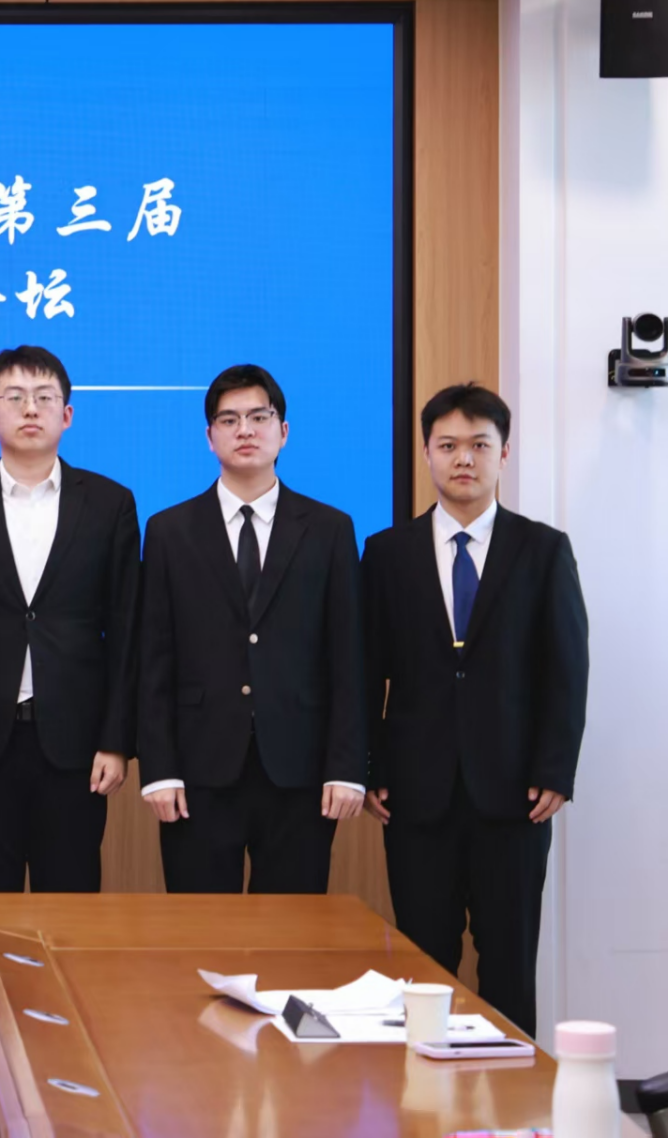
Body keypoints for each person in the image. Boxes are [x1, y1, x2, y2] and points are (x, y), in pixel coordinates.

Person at [362, 384, 588, 1035]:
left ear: (503, 453)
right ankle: (425, 1089)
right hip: (414, 794)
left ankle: (513, 1092)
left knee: (510, 964)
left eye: (479, 445)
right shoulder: (387, 552)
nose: (464, 458)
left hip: (516, 794)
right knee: (422, 964)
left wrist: (555, 770)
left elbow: (566, 668)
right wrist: (371, 764)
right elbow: (365, 668)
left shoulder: (543, 550)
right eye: (449, 445)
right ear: (427, 452)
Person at [0, 345, 139, 892]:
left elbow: (126, 631)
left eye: (44, 397)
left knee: (71, 900)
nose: (31, 409)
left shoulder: (110, 503)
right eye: (15, 398)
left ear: (68, 414)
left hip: (76, 744)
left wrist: (116, 739)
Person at [139, 364, 367, 894]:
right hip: (198, 770)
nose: (245, 430)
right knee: (200, 930)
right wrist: (159, 768)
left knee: (292, 930)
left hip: (301, 771)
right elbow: (153, 658)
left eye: (259, 417)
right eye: (229, 419)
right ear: (210, 436)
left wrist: (347, 766)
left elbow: (348, 657)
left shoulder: (329, 529)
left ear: (283, 431)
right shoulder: (169, 530)